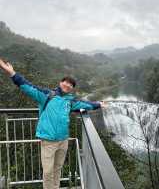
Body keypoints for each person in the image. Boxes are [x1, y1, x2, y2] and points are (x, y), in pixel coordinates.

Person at [0, 58, 105, 189]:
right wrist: (12, 73)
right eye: (65, 82)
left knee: (57, 169)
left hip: (63, 140)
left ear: (72, 88)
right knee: (48, 171)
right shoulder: (47, 95)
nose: (67, 85)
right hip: (48, 140)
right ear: (60, 83)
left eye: (70, 85)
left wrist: (98, 104)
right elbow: (28, 87)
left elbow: (86, 104)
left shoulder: (70, 101)